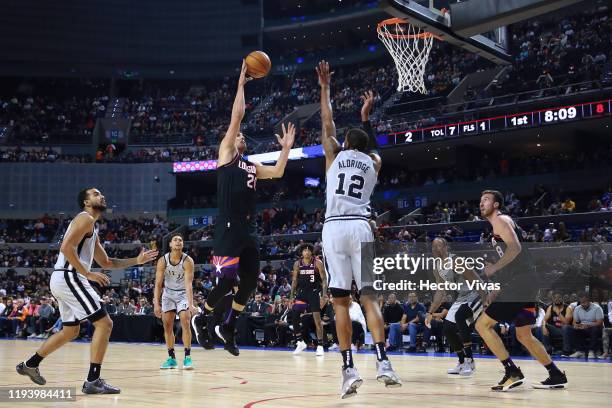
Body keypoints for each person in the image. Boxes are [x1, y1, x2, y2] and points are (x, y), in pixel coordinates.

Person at [194, 60, 295, 357]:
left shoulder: (251, 165)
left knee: (250, 280)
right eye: (236, 135)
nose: (239, 136)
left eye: (240, 136)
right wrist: (240, 82)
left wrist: (286, 148)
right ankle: (203, 315)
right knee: (226, 281)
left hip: (247, 227)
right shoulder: (226, 155)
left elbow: (277, 172)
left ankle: (228, 325)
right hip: (226, 224)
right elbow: (237, 115)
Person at [16, 187, 158, 394]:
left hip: (63, 277)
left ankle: (30, 364)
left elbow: (107, 262)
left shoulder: (92, 228)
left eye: (101, 193)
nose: (102, 196)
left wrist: (136, 261)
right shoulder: (85, 219)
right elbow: (66, 247)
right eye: (95, 194)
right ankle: (93, 380)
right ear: (86, 202)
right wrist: (88, 273)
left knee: (70, 331)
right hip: (69, 276)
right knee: (105, 323)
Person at [317, 60, 401, 399]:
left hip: (335, 228)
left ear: (344, 143)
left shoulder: (333, 156)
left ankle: (348, 369)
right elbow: (375, 145)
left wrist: (325, 87)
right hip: (362, 226)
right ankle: (383, 362)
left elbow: (326, 121)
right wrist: (368, 116)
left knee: (340, 303)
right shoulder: (374, 163)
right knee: (369, 298)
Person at [475, 190, 567, 391]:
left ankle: (511, 371)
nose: (482, 203)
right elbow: (513, 263)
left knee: (483, 325)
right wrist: (497, 288)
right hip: (525, 282)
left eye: (487, 200)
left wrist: (493, 268)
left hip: (523, 282)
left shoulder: (501, 220)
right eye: (481, 200)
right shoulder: (498, 226)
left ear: (497, 204)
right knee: (524, 335)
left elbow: (515, 249)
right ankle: (556, 374)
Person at [425, 237, 486, 376]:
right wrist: (430, 312)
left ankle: (470, 361)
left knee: (460, 316)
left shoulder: (456, 261)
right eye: (433, 247)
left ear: (446, 247)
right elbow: (440, 291)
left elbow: (475, 279)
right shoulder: (437, 267)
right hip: (462, 298)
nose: (435, 249)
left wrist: (485, 301)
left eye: (439, 246)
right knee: (447, 330)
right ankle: (462, 362)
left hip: (476, 293)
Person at [154, 234, 197, 369]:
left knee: (185, 319)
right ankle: (171, 358)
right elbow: (158, 283)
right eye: (175, 240)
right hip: (168, 294)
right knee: (167, 324)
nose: (178, 242)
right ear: (170, 245)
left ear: (182, 245)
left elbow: (189, 284)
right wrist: (156, 303)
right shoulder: (163, 260)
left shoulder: (188, 261)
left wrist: (190, 304)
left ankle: (187, 357)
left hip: (183, 293)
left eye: (180, 240)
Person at [290, 243, 327, 356]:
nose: (306, 252)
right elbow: (295, 280)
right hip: (301, 293)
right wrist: (291, 296)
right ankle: (300, 342)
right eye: (304, 250)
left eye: (308, 250)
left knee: (317, 320)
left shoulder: (318, 263)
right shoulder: (297, 264)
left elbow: (324, 280)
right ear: (301, 252)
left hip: (314, 293)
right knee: (295, 316)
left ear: (311, 252)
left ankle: (320, 345)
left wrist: (324, 295)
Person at [570, 293, 604, 359]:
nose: (582, 304)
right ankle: (580, 351)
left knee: (595, 329)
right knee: (575, 329)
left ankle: (592, 351)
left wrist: (588, 325)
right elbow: (574, 322)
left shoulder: (597, 308)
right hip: (583, 327)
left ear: (589, 301)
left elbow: (600, 322)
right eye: (581, 302)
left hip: (595, 327)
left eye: (584, 302)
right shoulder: (577, 308)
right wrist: (577, 325)